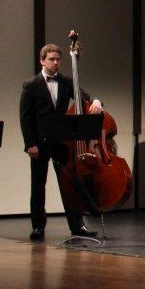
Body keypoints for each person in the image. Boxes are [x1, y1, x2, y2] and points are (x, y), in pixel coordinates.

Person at [20, 43, 103, 241]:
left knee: (70, 185)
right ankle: (38, 227)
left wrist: (96, 101)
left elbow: (84, 96)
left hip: (62, 142)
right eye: (51, 59)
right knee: (38, 186)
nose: (56, 62)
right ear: (42, 61)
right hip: (39, 143)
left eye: (58, 59)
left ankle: (77, 226)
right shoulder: (31, 85)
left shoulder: (66, 82)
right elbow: (25, 117)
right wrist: (30, 143)